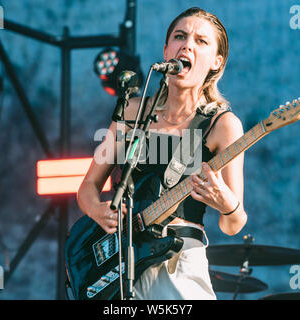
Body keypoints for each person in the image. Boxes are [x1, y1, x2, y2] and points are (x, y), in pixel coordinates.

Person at [77, 7, 247, 300]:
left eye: (201, 41)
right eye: (180, 37)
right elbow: (88, 187)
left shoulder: (222, 125)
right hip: (119, 263)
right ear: (166, 49)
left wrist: (226, 203)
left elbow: (234, 224)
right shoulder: (132, 111)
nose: (187, 45)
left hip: (178, 263)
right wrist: (97, 210)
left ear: (217, 62)